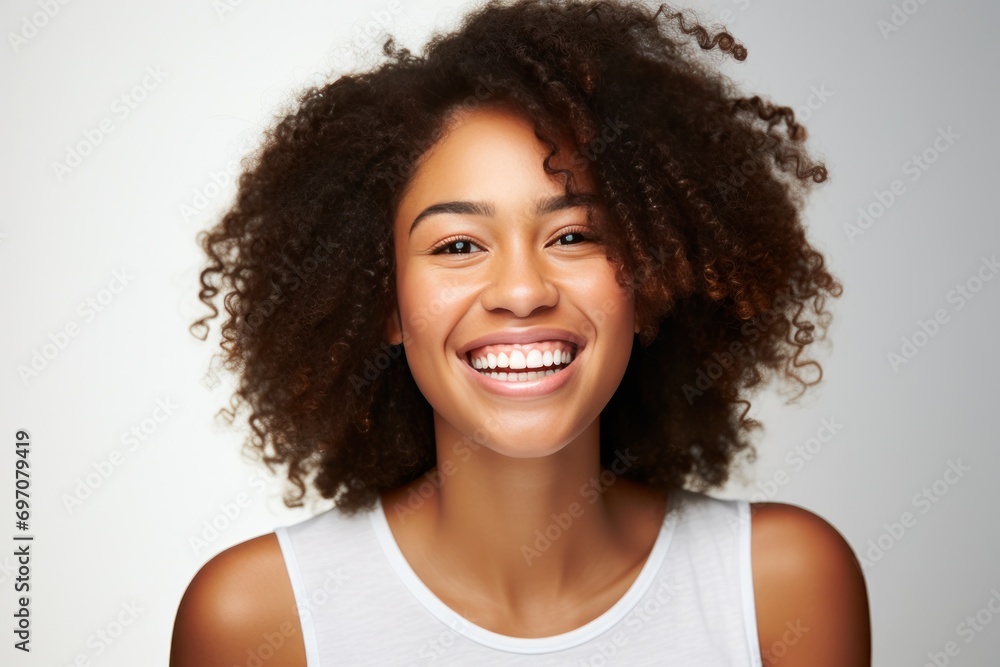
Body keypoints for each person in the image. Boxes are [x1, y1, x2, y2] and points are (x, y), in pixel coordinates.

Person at [170, 0, 870, 664]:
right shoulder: (260, 618)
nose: (522, 291)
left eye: (572, 234)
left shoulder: (779, 588)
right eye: (458, 246)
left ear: (650, 272)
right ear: (383, 298)